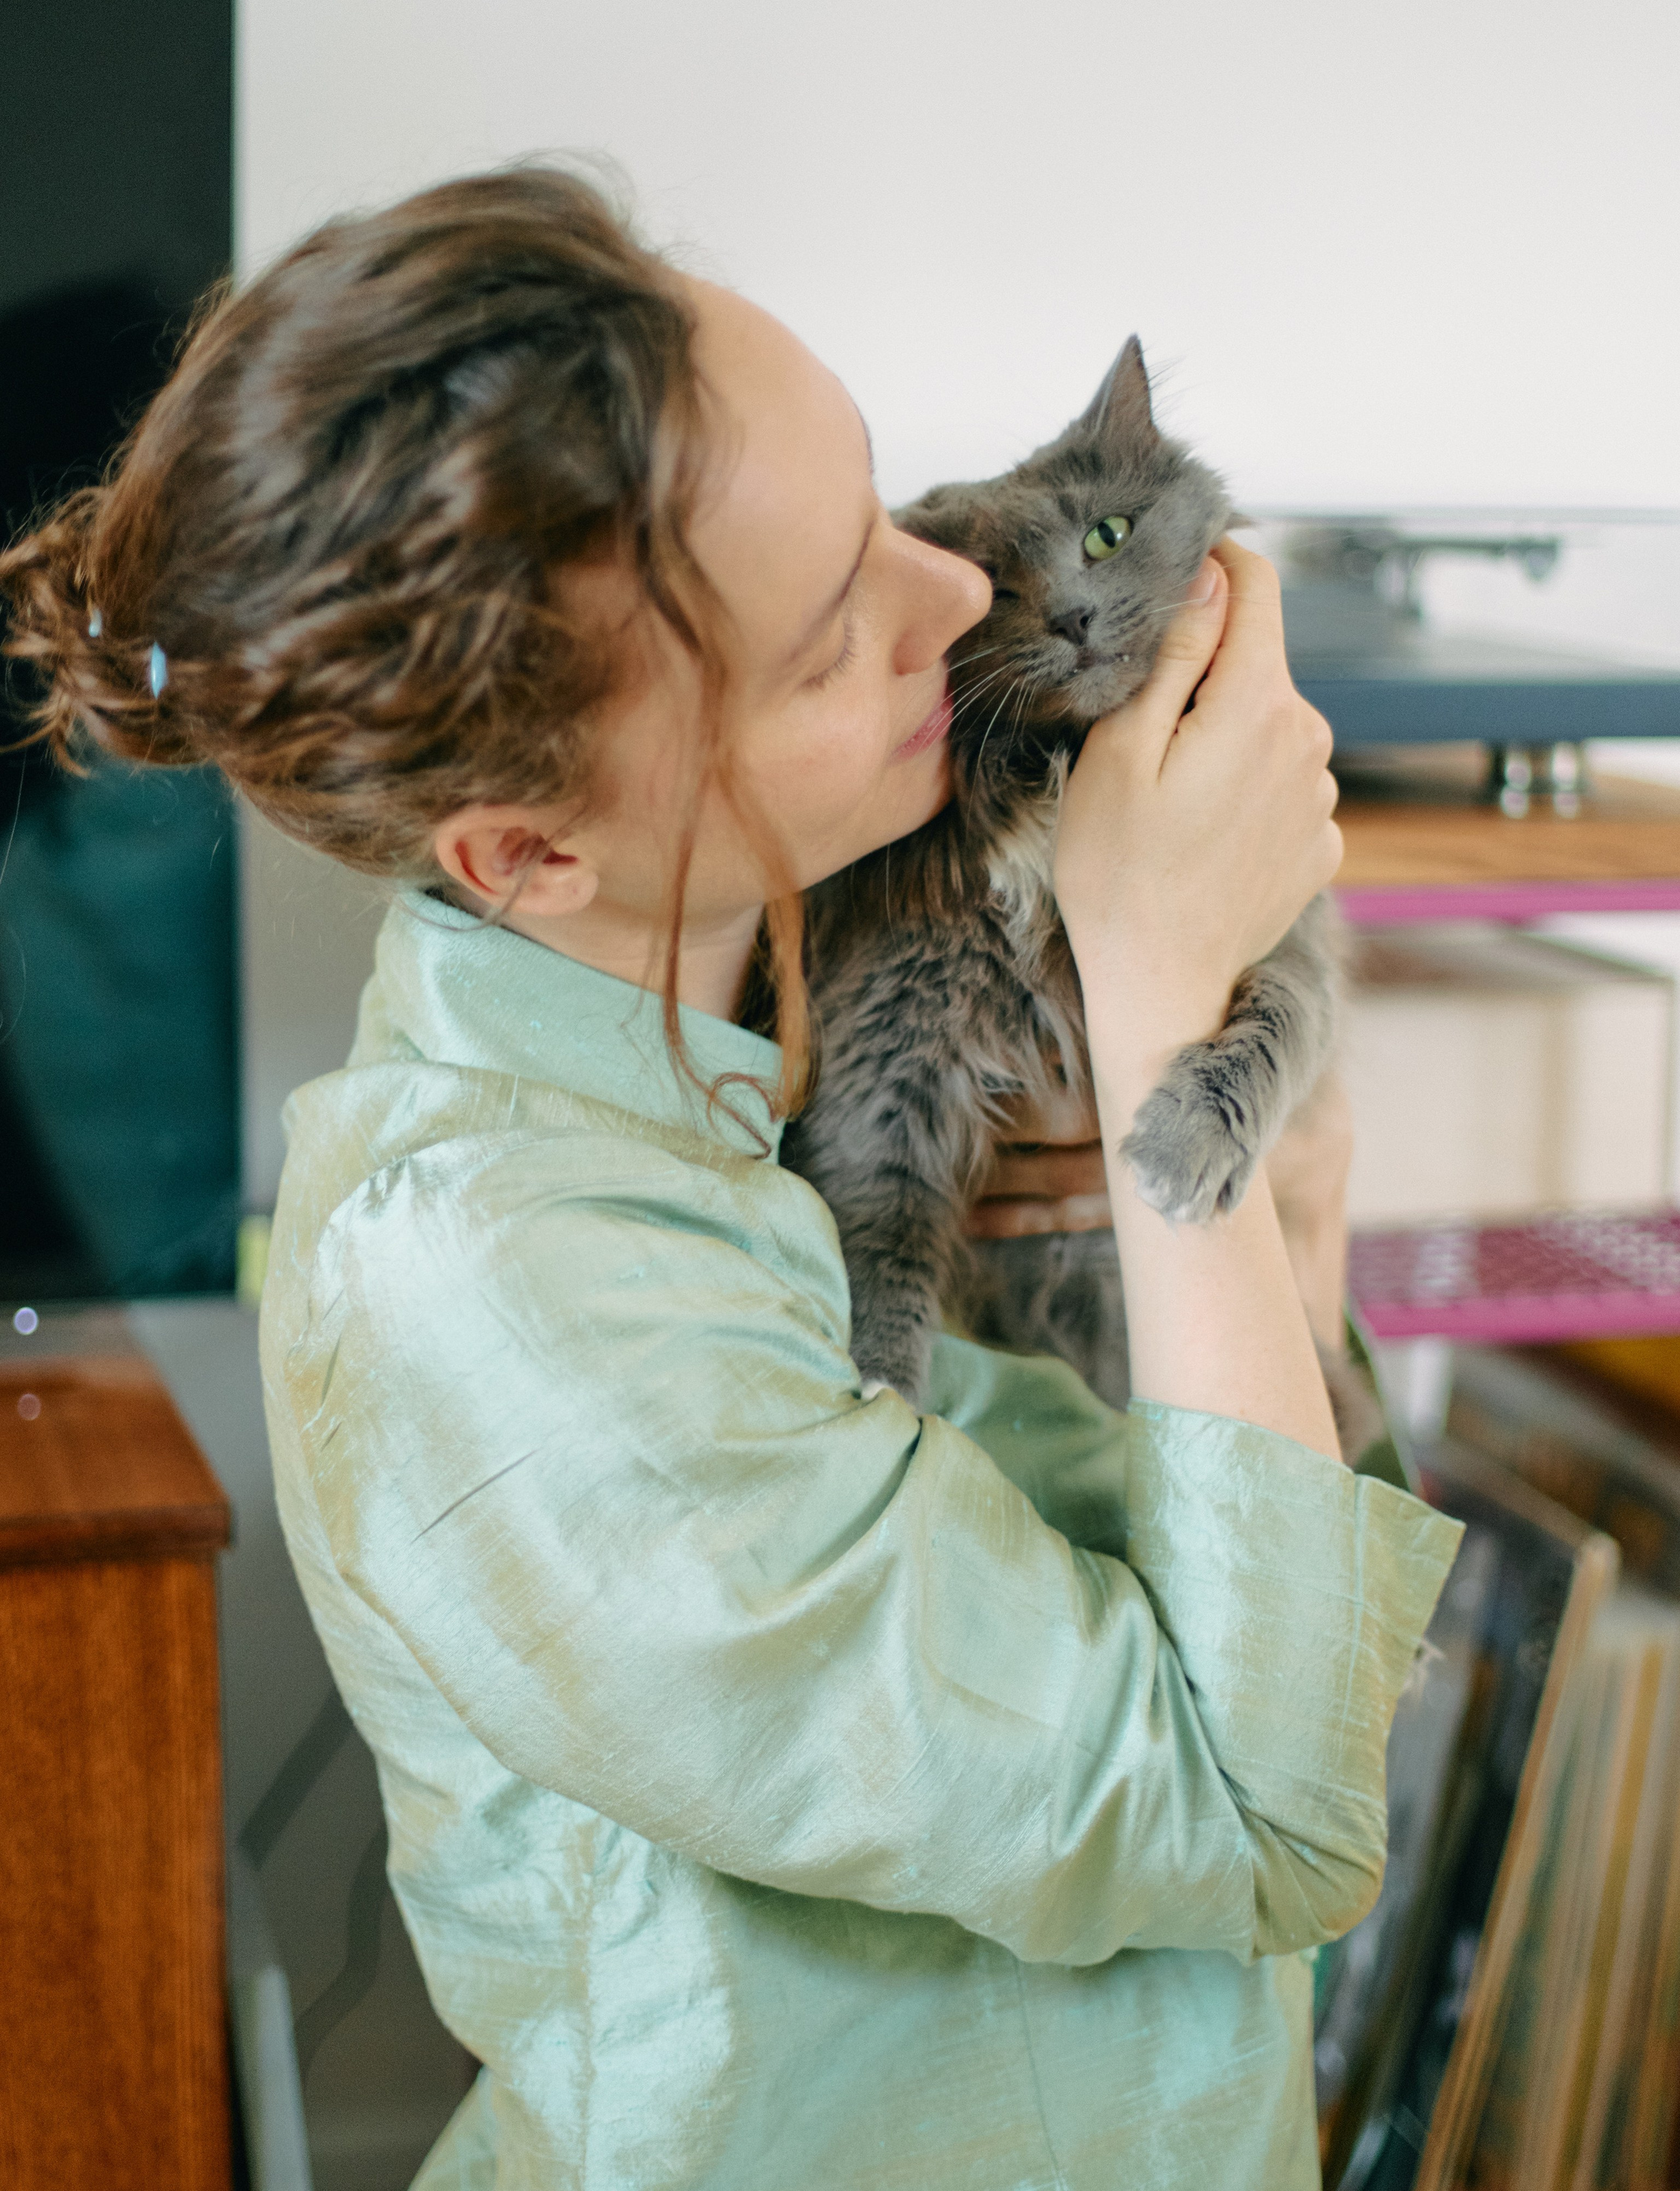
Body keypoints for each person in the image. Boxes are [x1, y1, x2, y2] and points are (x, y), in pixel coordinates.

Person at [1, 168, 1461, 2190]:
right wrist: (1161, 995)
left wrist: (1273, 1171)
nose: (958, 598)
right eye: (831, 635)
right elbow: (1271, 1806)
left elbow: (1279, 1558)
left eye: (884, 511)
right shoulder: (513, 1307)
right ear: (528, 851)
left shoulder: (772, 997)